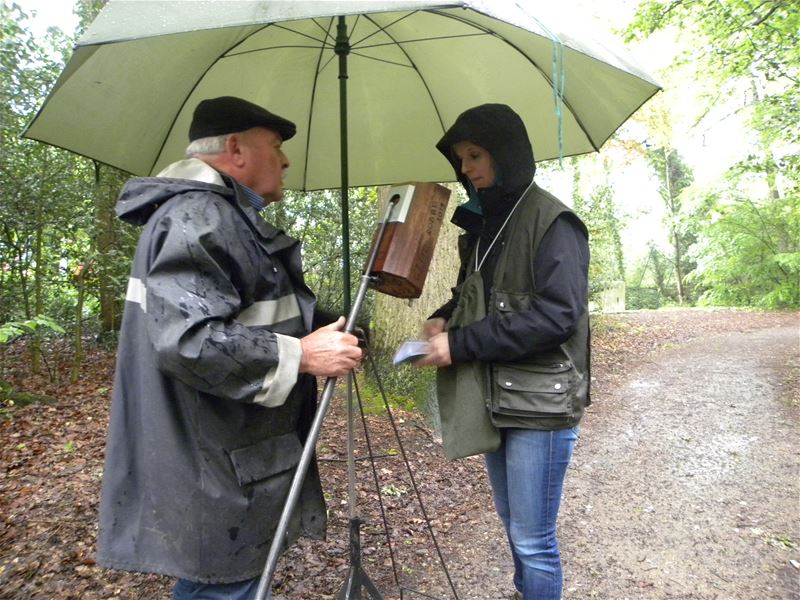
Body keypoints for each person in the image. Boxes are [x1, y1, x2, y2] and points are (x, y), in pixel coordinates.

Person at [96, 96, 363, 600]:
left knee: (223, 581)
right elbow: (190, 340)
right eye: (277, 147)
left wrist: (331, 329)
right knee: (223, 585)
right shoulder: (199, 217)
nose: (285, 161)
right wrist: (303, 357)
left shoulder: (216, 217)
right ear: (236, 149)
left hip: (226, 450)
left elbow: (248, 309)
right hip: (212, 459)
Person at [413, 103, 590, 600]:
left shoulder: (554, 222)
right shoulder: (487, 222)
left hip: (541, 404)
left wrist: (460, 343)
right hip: (497, 398)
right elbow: (482, 290)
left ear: (507, 154)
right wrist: (445, 314)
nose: (465, 168)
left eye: (475, 155)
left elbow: (558, 315)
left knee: (533, 541)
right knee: (515, 528)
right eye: (460, 158)